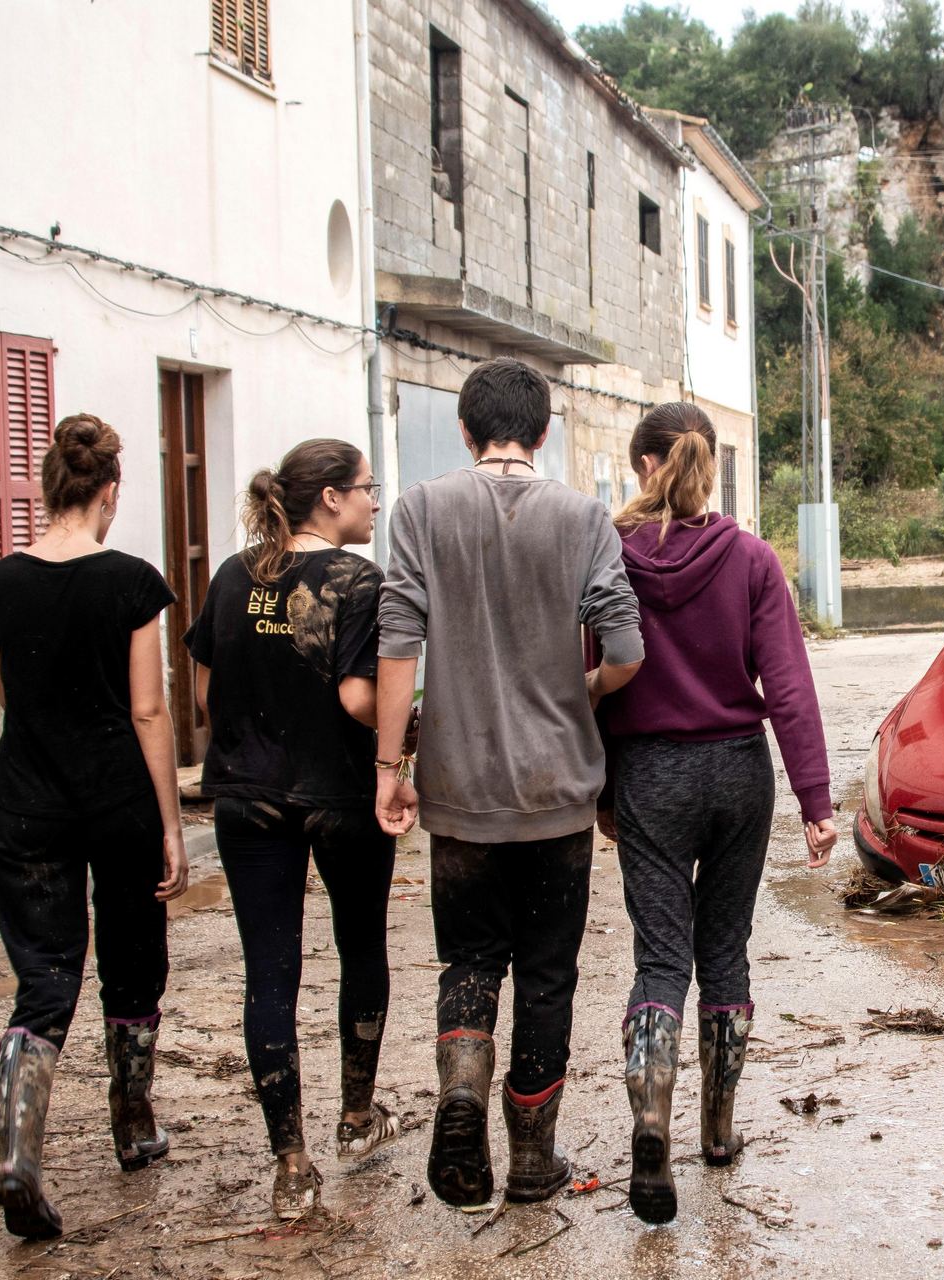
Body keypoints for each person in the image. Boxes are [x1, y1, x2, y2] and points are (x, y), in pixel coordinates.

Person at [373, 357, 643, 1212]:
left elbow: (397, 644)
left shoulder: (419, 510)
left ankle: (462, 1088)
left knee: (471, 958)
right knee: (548, 975)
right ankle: (532, 1159)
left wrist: (391, 768)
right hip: (558, 792)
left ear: (465, 430)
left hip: (459, 790)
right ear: (544, 431)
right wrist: (583, 691)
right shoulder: (583, 516)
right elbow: (627, 649)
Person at [595, 403, 838, 1223]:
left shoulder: (611, 558)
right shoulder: (752, 559)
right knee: (724, 949)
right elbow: (790, 687)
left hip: (650, 774)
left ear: (644, 465)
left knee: (661, 959)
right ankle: (719, 1130)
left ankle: (650, 1119)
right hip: (739, 772)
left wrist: (602, 792)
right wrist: (815, 800)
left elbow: (589, 679)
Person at [0, 414, 187, 1240]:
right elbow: (148, 710)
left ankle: (18, 1153)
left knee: (45, 978)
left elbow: (10, 697)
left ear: (48, 489)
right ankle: (133, 1125)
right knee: (133, 966)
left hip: (28, 804)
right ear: (109, 492)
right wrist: (171, 823)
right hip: (117, 804)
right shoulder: (132, 582)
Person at [184, 439, 400, 1220]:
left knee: (268, 975)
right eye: (368, 488)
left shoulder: (233, 575)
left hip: (249, 797)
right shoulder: (357, 581)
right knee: (360, 946)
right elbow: (357, 698)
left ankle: (291, 1163)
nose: (374, 502)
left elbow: (205, 691)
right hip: (340, 793)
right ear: (331, 498)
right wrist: (406, 733)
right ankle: (357, 1116)